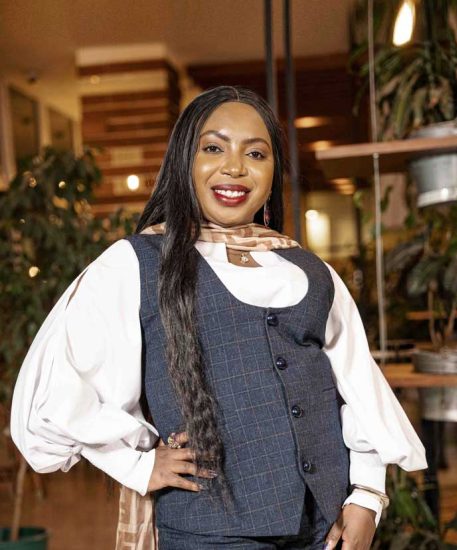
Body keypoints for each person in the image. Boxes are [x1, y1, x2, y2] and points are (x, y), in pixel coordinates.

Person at [11, 86, 426, 550]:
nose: (235, 167)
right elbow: (58, 391)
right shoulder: (135, 263)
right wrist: (137, 464)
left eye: (256, 153)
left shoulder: (313, 272)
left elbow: (360, 390)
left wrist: (367, 495)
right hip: (208, 531)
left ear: (273, 172)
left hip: (324, 527)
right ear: (183, 162)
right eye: (213, 148)